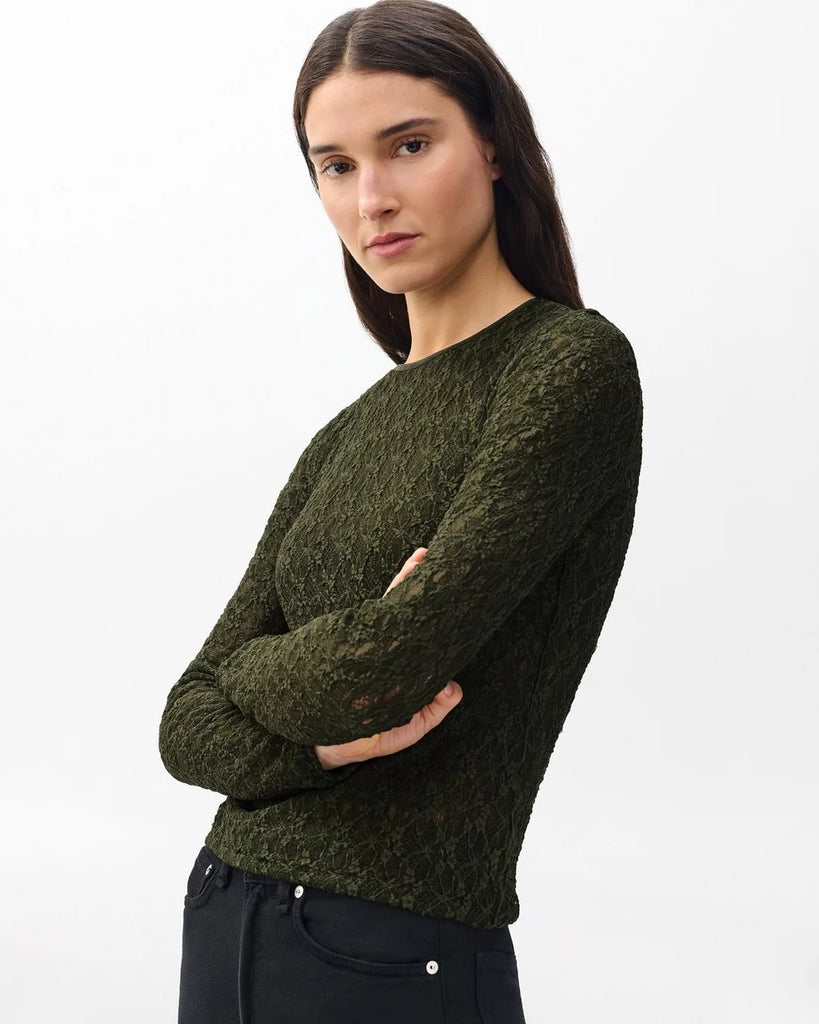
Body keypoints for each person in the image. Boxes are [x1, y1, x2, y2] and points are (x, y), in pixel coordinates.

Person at [157, 1, 644, 1021]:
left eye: (409, 145)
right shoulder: (350, 428)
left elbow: (384, 669)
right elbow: (185, 723)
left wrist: (269, 673)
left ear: (493, 146)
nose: (371, 197)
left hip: (391, 944)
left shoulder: (566, 367)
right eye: (335, 165)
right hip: (224, 911)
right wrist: (323, 738)